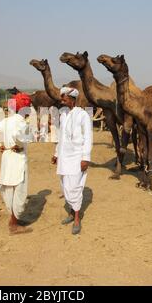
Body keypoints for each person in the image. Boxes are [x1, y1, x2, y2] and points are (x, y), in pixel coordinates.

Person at [0, 93, 34, 235]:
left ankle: (14, 219)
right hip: (18, 158)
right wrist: (17, 144)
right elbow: (20, 136)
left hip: (6, 157)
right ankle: (13, 224)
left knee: (9, 189)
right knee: (20, 190)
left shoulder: (5, 121)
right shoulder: (22, 123)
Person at [51, 87, 93, 235]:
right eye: (62, 98)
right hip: (64, 157)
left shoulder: (83, 115)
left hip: (77, 157)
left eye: (65, 98)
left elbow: (88, 137)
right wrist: (56, 153)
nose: (62, 100)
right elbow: (61, 136)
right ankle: (71, 212)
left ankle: (76, 218)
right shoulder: (63, 115)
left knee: (74, 187)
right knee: (65, 186)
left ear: (73, 99)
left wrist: (85, 158)